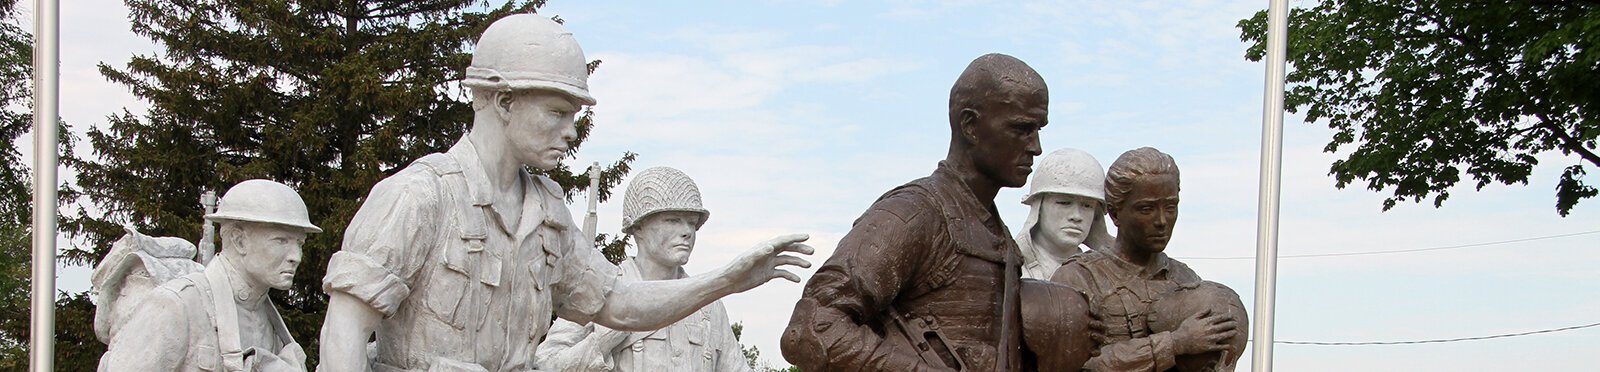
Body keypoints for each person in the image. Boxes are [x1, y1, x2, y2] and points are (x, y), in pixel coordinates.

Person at [316, 14, 813, 372]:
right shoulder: (418, 196)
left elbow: (619, 303)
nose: (572, 132)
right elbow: (345, 333)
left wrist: (725, 281)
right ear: (504, 101)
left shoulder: (549, 213)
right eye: (558, 112)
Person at [781, 53, 1073, 371]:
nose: (1036, 147)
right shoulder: (913, 214)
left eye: (1038, 129)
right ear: (970, 126)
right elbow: (811, 328)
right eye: (1022, 129)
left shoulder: (1000, 238)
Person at [1050, 147, 1247, 372]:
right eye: (1147, 209)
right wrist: (1175, 344)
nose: (1162, 220)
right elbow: (1074, 365)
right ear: (1115, 214)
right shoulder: (1078, 278)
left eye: (1171, 207)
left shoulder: (1185, 279)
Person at [537, 167, 750, 372]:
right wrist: (604, 339)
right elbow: (546, 365)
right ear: (637, 227)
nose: (687, 231)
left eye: (692, 223)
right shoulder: (598, 289)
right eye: (673, 220)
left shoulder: (708, 305)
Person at [99, 179, 320, 372]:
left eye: (299, 243)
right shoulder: (177, 304)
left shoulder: (270, 325)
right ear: (239, 240)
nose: (296, 256)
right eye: (281, 241)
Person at [1015, 148, 1113, 279]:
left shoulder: (1104, 277)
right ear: (1039, 207)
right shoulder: (1009, 267)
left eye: (1087, 205)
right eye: (1064, 203)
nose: (1076, 216)